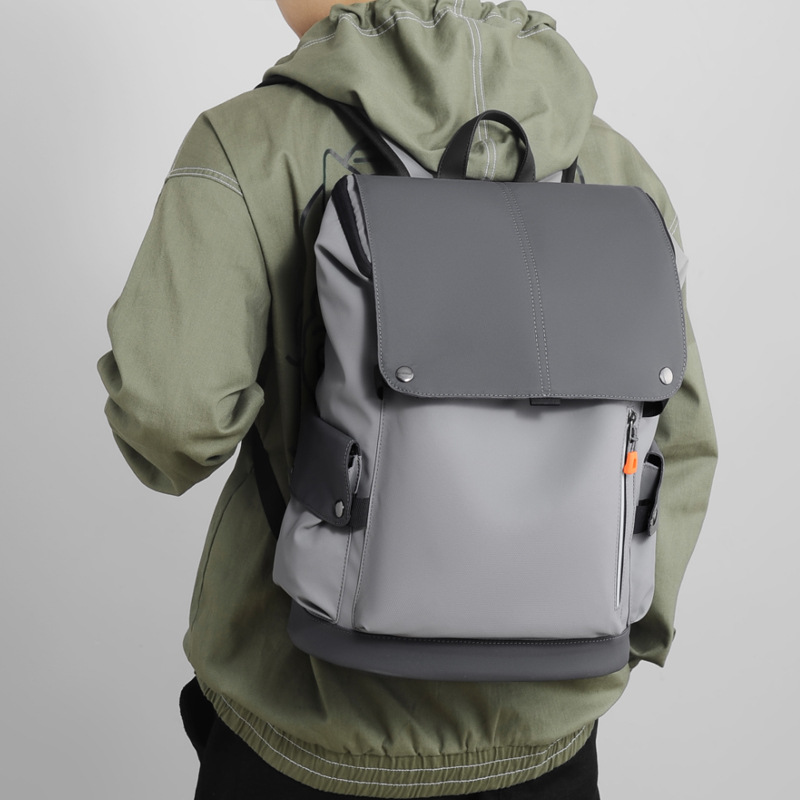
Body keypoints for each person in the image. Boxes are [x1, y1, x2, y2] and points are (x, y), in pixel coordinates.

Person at [98, 1, 717, 797]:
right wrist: (625, 628)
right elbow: (681, 441)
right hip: (545, 738)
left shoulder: (248, 142)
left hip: (300, 718)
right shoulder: (614, 166)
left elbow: (171, 421)